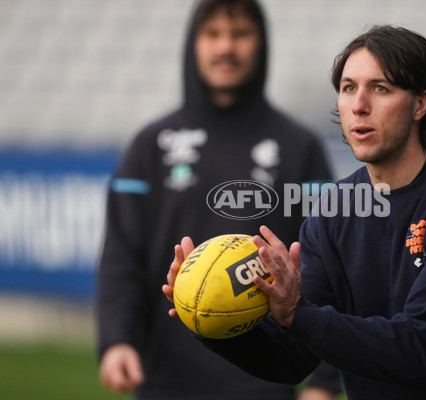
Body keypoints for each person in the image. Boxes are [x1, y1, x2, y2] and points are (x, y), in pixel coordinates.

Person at [164, 25, 426, 399]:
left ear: (420, 103)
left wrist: (298, 313)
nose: (359, 105)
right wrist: (206, 316)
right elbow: (292, 360)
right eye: (348, 88)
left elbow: (417, 349)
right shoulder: (333, 213)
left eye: (380, 89)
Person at [95, 0, 342, 399]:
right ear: (194, 43)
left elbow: (329, 267)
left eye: (240, 34)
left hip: (267, 378)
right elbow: (121, 258)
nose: (226, 47)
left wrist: (326, 382)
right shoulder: (149, 147)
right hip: (166, 380)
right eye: (213, 34)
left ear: (261, 44)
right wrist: (116, 339)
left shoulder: (300, 147)